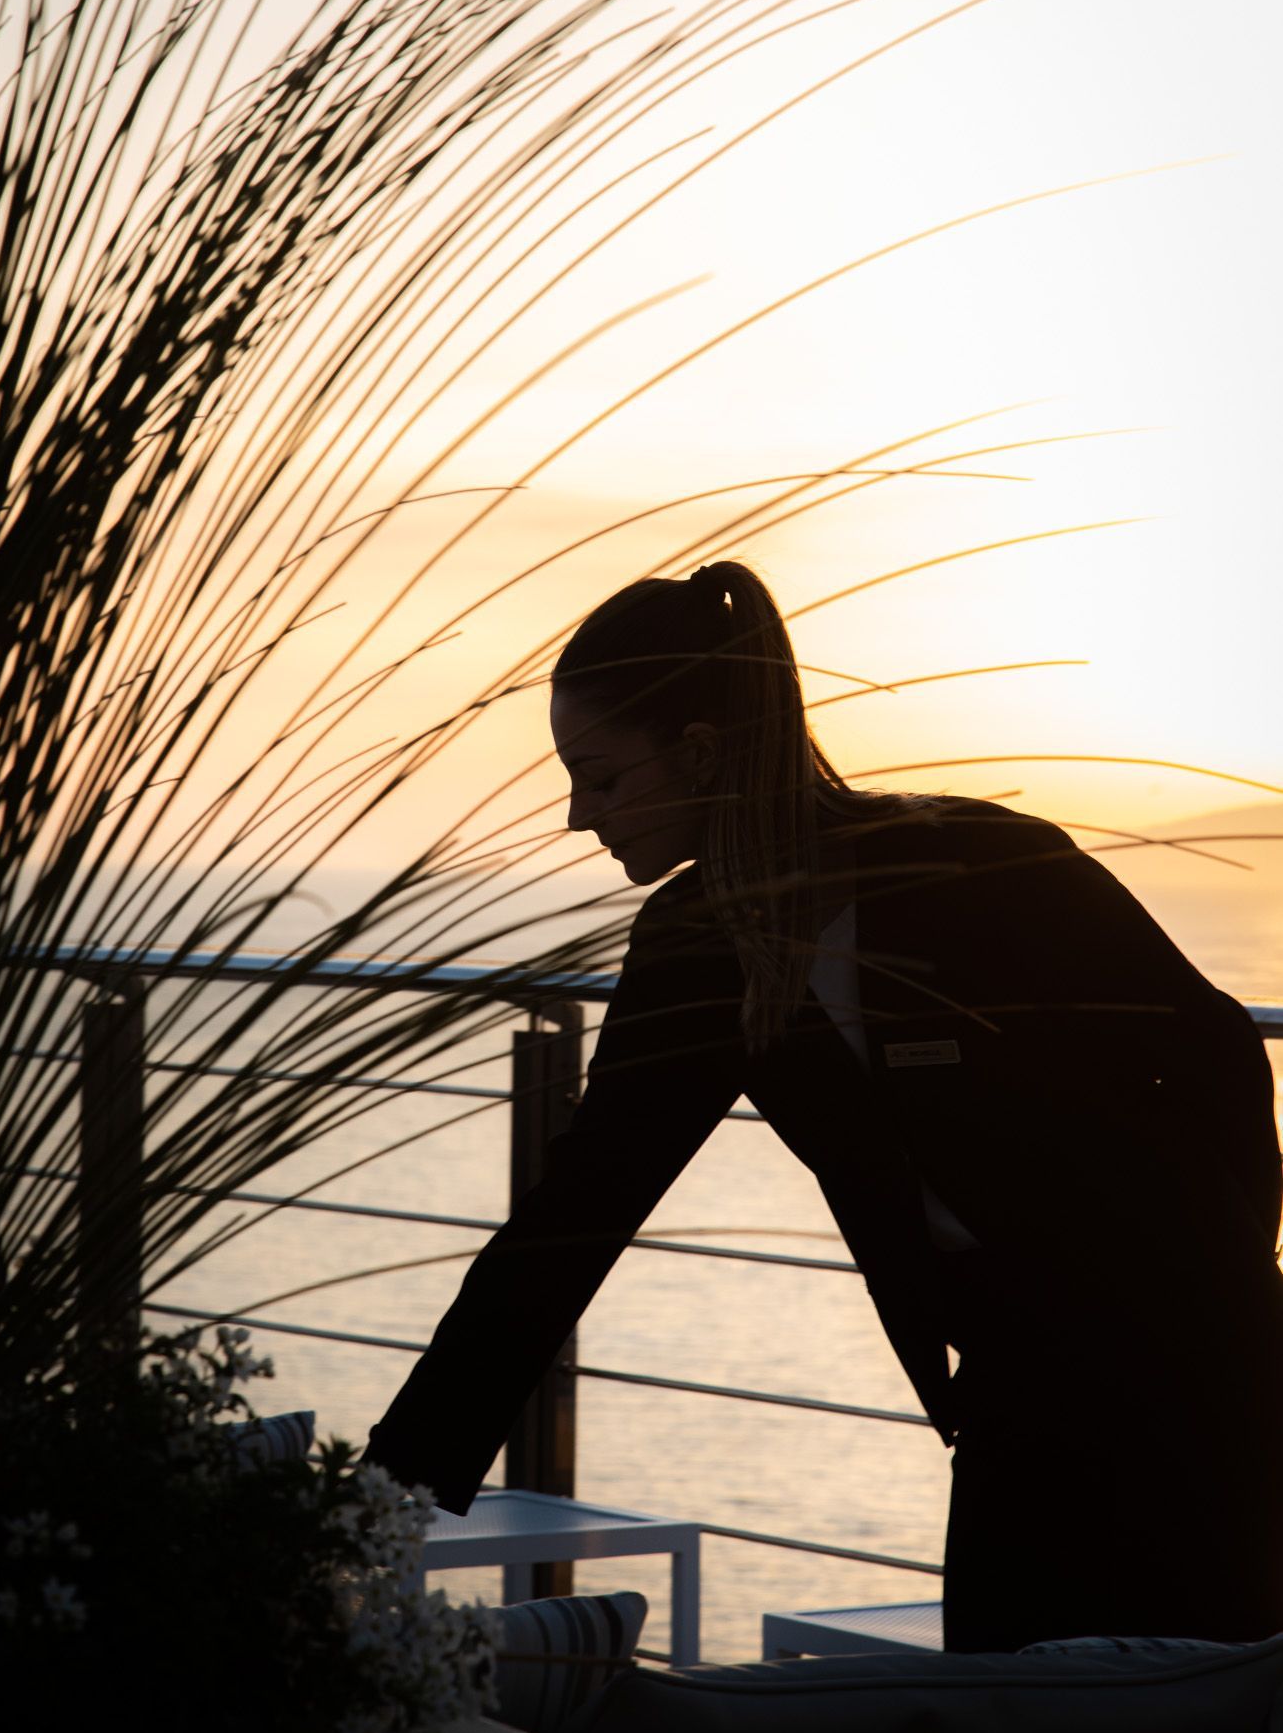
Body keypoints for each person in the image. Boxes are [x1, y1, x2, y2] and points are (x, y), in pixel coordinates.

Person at [364, 559, 1283, 1653]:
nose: (576, 814)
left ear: (698, 751)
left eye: (601, 778)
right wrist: (380, 1496)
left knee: (1212, 1706)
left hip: (1200, 1370)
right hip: (1011, 1384)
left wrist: (1228, 1267)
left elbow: (1216, 1050)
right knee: (1004, 1710)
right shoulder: (695, 951)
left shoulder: (978, 860)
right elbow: (571, 1221)